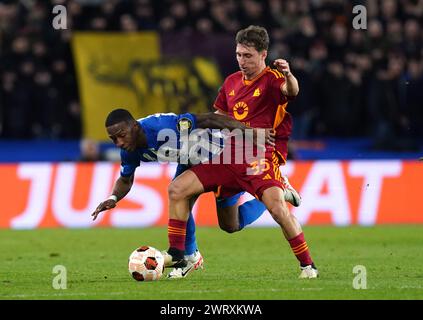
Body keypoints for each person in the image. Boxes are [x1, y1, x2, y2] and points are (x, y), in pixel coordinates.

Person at [164, 25, 318, 279]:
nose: (242, 61)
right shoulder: (231, 82)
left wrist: (289, 74)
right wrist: (194, 129)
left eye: (248, 56)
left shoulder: (272, 79)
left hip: (258, 156)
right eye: (238, 54)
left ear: (263, 54)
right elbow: (220, 117)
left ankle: (308, 266)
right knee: (200, 205)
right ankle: (181, 257)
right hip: (228, 156)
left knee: (278, 210)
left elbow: (292, 92)